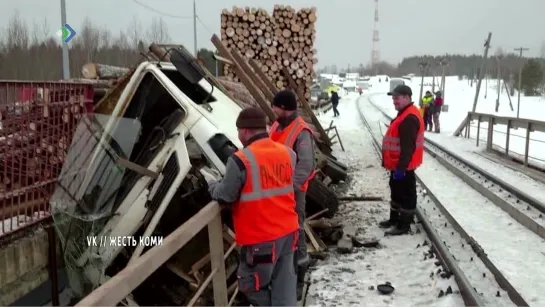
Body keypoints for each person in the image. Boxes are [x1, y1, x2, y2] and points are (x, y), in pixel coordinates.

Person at [201, 107, 299, 306]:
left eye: (238, 131)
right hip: (289, 233)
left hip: (261, 239)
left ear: (244, 131)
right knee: (284, 287)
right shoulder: (288, 153)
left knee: (249, 284)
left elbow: (225, 196)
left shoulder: (240, 159)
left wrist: (211, 183)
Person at [269, 90, 316, 300]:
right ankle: (282, 275)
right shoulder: (277, 126)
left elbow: (306, 165)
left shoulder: (301, 131)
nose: (273, 110)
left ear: (285, 108)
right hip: (275, 192)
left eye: (275, 106)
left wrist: (289, 189)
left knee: (296, 233)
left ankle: (299, 277)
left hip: (293, 194)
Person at [379, 84, 424, 236]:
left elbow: (408, 148)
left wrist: (401, 168)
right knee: (396, 192)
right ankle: (394, 219)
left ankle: (404, 225)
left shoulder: (409, 118)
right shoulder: (404, 113)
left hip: (404, 166)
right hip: (398, 165)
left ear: (406, 97)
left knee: (406, 195)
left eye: (397, 98)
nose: (394, 101)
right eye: (393, 98)